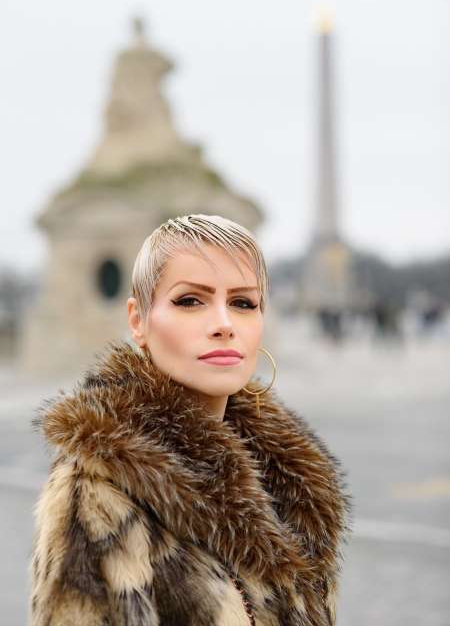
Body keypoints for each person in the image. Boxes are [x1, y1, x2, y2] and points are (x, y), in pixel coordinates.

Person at [28, 213, 353, 626]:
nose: (224, 325)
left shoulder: (292, 481)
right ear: (138, 321)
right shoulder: (97, 493)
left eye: (243, 303)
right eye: (190, 301)